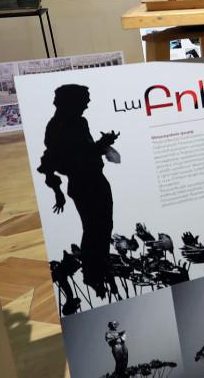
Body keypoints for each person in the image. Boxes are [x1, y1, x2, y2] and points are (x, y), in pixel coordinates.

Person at [38, 85, 120, 299]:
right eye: (84, 100)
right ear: (73, 102)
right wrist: (102, 144)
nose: (87, 104)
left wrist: (100, 145)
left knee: (101, 226)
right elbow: (72, 158)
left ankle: (97, 269)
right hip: (86, 182)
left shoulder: (72, 123)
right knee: (95, 228)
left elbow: (77, 154)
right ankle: (94, 273)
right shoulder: (63, 126)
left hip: (90, 181)